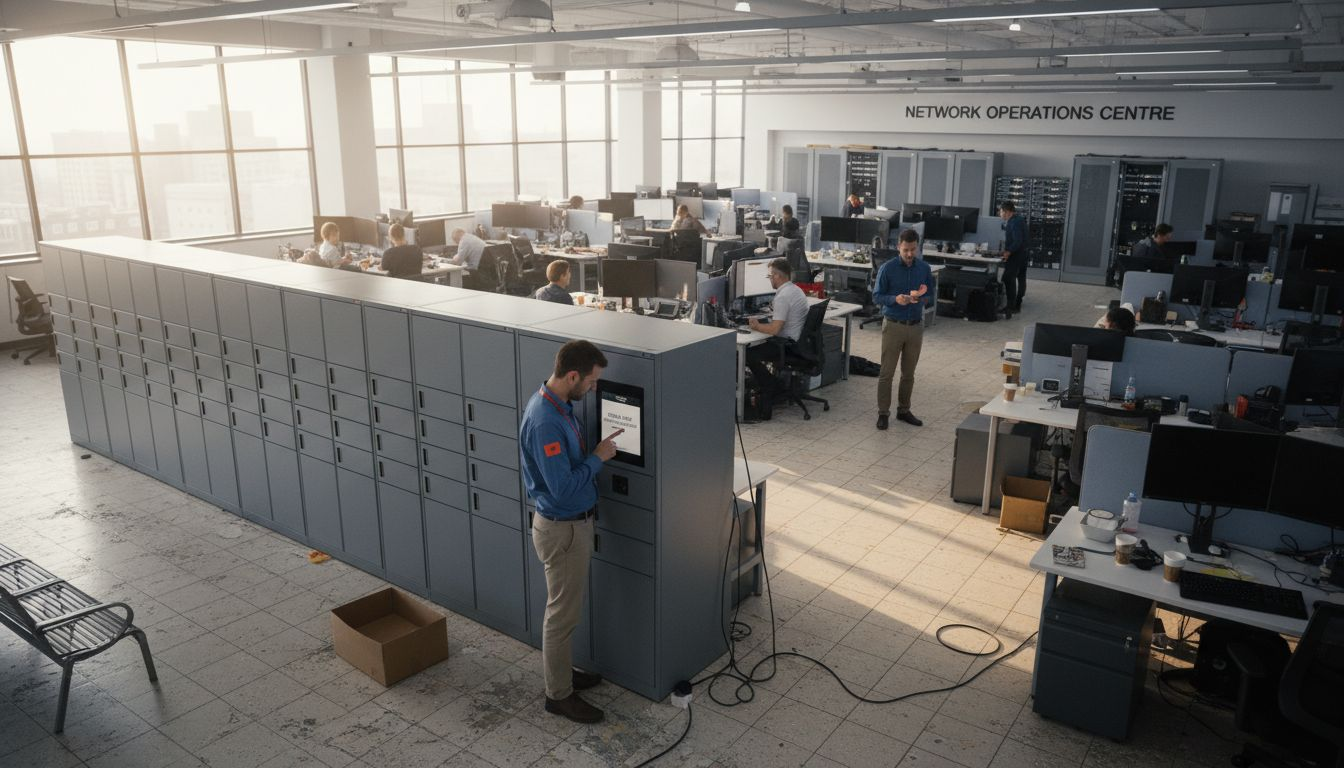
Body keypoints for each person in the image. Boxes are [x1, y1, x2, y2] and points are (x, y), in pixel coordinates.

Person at [520, 340, 618, 725]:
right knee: (561, 616)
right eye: (592, 382)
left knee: (565, 613)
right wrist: (597, 459)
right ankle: (558, 695)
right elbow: (561, 487)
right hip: (563, 531)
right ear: (572, 375)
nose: (593, 389)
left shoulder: (558, 405)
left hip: (570, 525)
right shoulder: (546, 420)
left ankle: (562, 672)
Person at [873, 229, 934, 430]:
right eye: (906, 249)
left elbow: (930, 295)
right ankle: (883, 413)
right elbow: (876, 296)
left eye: (913, 249)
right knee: (887, 372)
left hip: (915, 326)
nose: (909, 254)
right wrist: (894, 299)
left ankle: (903, 410)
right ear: (898, 246)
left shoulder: (924, 268)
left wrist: (921, 298)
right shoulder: (887, 268)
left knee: (909, 373)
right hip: (893, 325)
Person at [745, 258, 809, 408]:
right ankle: (772, 384)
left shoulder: (783, 297)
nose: (769, 280)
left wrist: (756, 325)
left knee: (747, 354)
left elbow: (774, 330)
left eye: (769, 276)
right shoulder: (796, 290)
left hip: (787, 346)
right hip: (798, 343)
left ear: (777, 276)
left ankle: (770, 386)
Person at [999, 202, 1028, 318]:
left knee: (1007, 278)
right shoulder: (1019, 219)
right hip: (1024, 254)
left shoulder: (1013, 223)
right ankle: (1017, 304)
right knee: (1021, 278)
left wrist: (1008, 252)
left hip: (1016, 255)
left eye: (1000, 211)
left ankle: (1010, 307)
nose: (1000, 214)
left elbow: (1017, 241)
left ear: (1006, 211)